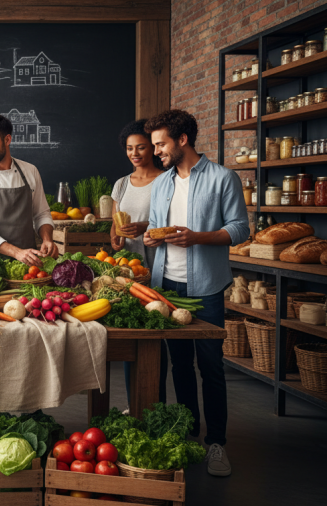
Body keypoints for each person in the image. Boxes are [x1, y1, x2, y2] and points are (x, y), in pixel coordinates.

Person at [143, 109, 248, 477]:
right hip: (166, 287)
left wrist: (197, 237)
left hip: (205, 288)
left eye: (161, 144)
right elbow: (158, 228)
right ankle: (189, 433)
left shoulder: (223, 178)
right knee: (180, 365)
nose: (156, 152)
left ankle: (216, 444)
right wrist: (149, 236)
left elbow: (240, 229)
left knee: (210, 366)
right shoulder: (161, 183)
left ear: (182, 139)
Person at [110, 120, 167, 410]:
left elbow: (168, 224)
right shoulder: (121, 184)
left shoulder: (166, 181)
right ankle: (135, 404)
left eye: (141, 147)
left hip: (158, 267)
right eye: (130, 148)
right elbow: (115, 227)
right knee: (133, 340)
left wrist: (143, 226)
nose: (135, 153)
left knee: (156, 340)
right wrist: (117, 242)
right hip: (130, 272)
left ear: (153, 148)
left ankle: (156, 403)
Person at [0, 113, 56, 265]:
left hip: (30, 265)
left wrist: (47, 239)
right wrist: (17, 253)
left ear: (7, 140)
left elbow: (41, 213)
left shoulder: (30, 171)